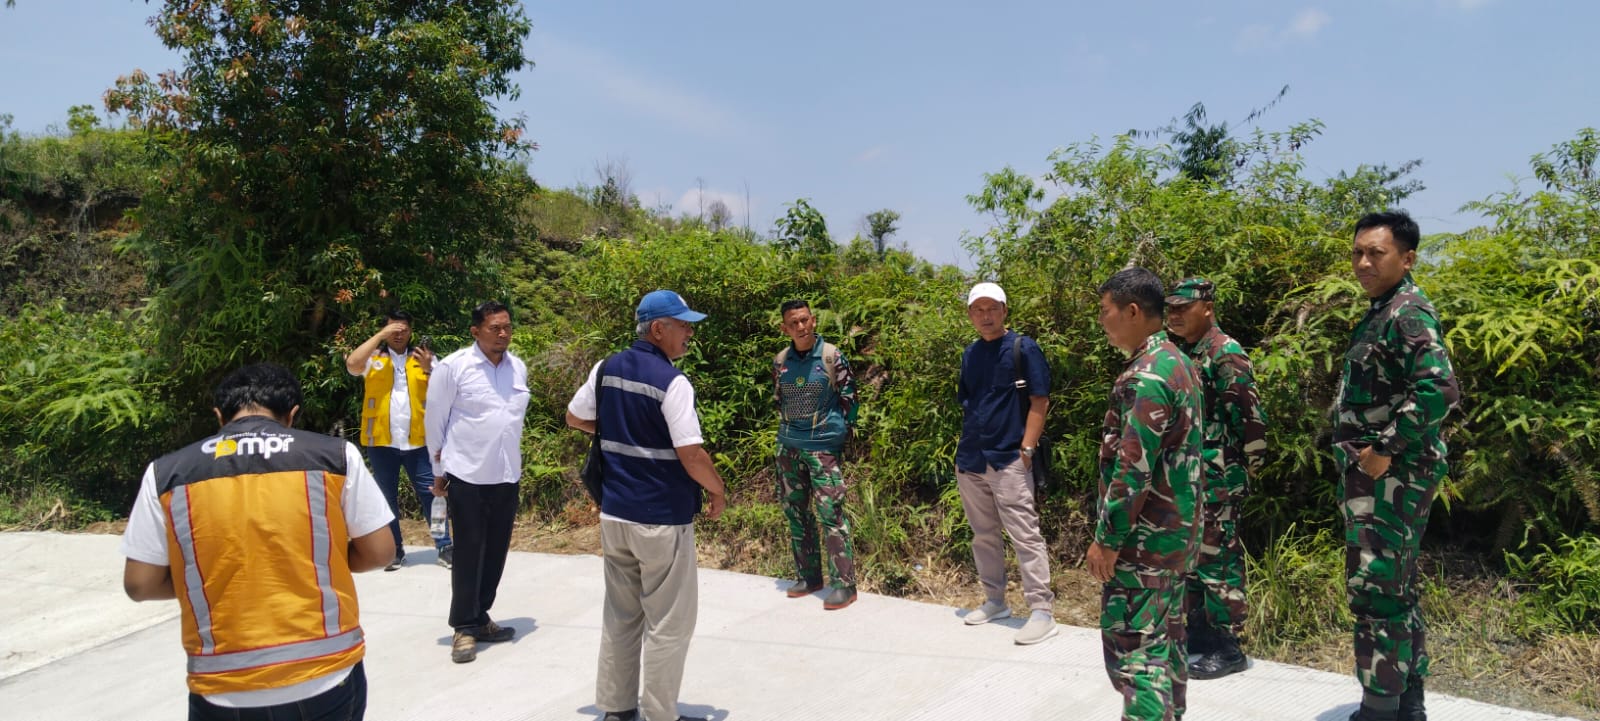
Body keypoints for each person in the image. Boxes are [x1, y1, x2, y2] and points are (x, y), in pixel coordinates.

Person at [120, 363, 395, 721]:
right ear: (292, 415)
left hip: (222, 685)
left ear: (220, 416)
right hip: (324, 673)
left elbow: (140, 584)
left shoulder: (167, 473)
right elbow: (380, 552)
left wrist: (213, 575)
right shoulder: (335, 457)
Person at [565, 289, 728, 721]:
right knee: (669, 623)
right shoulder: (672, 382)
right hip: (660, 521)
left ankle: (617, 710)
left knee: (621, 617)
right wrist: (717, 491)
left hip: (615, 516)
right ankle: (660, 714)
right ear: (658, 329)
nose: (689, 333)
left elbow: (574, 417)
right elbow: (691, 454)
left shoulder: (606, 368)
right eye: (684, 326)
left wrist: (621, 430)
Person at [1337, 211, 1460, 721]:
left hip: (1391, 478)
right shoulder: (1383, 310)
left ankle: (1379, 708)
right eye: (1357, 253)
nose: (1363, 263)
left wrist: (1385, 447)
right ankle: (1407, 702)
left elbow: (1439, 389)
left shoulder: (1406, 312)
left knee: (1376, 591)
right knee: (1396, 589)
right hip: (1383, 479)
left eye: (1376, 253)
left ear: (1407, 259)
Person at [1088, 268, 1204, 721]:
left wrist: (1108, 539)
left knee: (1137, 656)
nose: (1102, 321)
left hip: (1144, 543)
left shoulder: (1147, 376)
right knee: (1166, 645)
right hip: (1174, 537)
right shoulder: (1177, 362)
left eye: (1106, 311)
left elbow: (1131, 471)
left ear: (1133, 311)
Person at [1164, 278, 1267, 680]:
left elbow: (1249, 416)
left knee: (1218, 559)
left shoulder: (1224, 352)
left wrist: (1249, 465)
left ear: (1207, 308)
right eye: (1171, 308)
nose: (1174, 315)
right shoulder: (1187, 352)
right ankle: (1200, 633)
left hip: (1218, 474)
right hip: (1190, 476)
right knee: (1192, 557)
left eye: (1183, 308)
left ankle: (1229, 646)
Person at [425, 300, 530, 664]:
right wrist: (437, 472)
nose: (503, 333)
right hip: (466, 473)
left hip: (506, 473)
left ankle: (481, 615)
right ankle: (464, 627)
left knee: (497, 551)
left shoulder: (518, 368)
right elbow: (435, 421)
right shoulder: (453, 368)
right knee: (469, 551)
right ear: (475, 331)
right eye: (494, 328)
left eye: (507, 327)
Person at [955, 281, 1057, 645]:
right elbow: (969, 403)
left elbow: (1040, 401)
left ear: (1004, 311)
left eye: (992, 309)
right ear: (970, 315)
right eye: (978, 310)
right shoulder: (970, 353)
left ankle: (1042, 611)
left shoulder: (1022, 348)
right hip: (972, 458)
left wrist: (1026, 450)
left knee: (1025, 535)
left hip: (1010, 457)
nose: (985, 316)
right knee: (983, 535)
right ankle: (995, 601)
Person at [344, 309, 451, 571]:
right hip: (382, 442)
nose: (398, 334)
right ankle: (395, 550)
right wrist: (379, 335)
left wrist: (430, 370)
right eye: (393, 329)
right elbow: (352, 365)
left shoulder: (425, 358)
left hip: (419, 442)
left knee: (433, 495)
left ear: (411, 331)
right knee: (386, 499)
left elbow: (448, 391)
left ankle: (445, 546)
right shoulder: (373, 358)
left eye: (403, 329)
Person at [770, 299, 860, 610]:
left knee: (830, 513)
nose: (801, 326)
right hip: (789, 446)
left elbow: (850, 399)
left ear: (814, 321)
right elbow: (779, 399)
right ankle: (809, 577)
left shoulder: (831, 356)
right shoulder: (781, 361)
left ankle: (844, 585)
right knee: (795, 512)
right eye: (793, 323)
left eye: (804, 320)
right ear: (785, 328)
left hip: (822, 447)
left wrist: (838, 433)